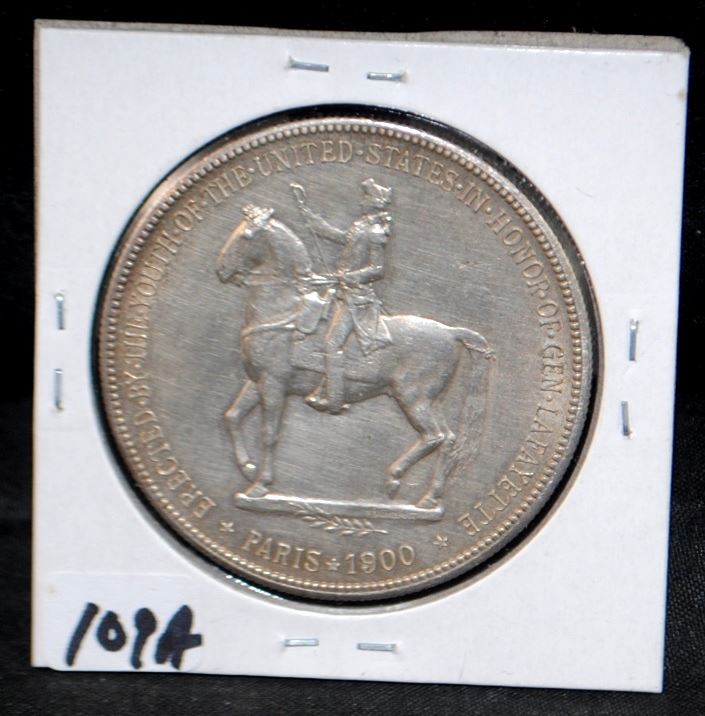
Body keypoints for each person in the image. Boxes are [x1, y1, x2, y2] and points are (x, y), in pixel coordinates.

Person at [297, 177, 394, 414]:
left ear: (374, 202)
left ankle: (334, 399)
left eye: (365, 197)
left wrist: (349, 277)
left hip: (357, 299)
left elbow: (378, 269)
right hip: (343, 292)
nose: (361, 201)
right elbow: (337, 236)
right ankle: (321, 384)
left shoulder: (376, 231)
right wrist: (307, 212)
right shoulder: (360, 225)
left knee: (332, 343)